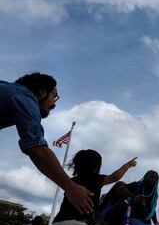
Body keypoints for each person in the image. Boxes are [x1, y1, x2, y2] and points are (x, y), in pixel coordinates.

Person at [0, 73, 94, 215]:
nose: (54, 103)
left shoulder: (9, 91)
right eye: (54, 96)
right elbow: (37, 149)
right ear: (42, 92)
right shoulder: (26, 98)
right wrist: (71, 187)